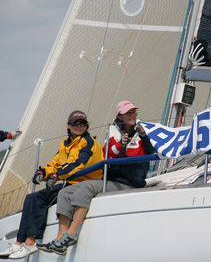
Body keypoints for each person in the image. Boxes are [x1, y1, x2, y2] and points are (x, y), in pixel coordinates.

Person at [37, 100, 155, 256]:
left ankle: (71, 234)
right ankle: (60, 240)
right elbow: (107, 154)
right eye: (128, 113)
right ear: (119, 116)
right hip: (112, 180)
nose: (132, 115)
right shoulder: (112, 131)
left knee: (87, 187)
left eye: (133, 112)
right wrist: (121, 144)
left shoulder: (142, 131)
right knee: (64, 193)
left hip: (130, 183)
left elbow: (151, 153)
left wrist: (143, 135)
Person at [0, 110, 103, 259]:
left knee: (39, 199)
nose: (80, 126)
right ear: (68, 125)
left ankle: (30, 243)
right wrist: (42, 173)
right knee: (31, 197)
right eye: (76, 123)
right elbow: (55, 163)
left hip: (81, 184)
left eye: (83, 123)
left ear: (87, 126)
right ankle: (18, 242)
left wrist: (57, 175)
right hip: (69, 182)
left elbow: (77, 164)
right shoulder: (65, 144)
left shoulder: (89, 143)